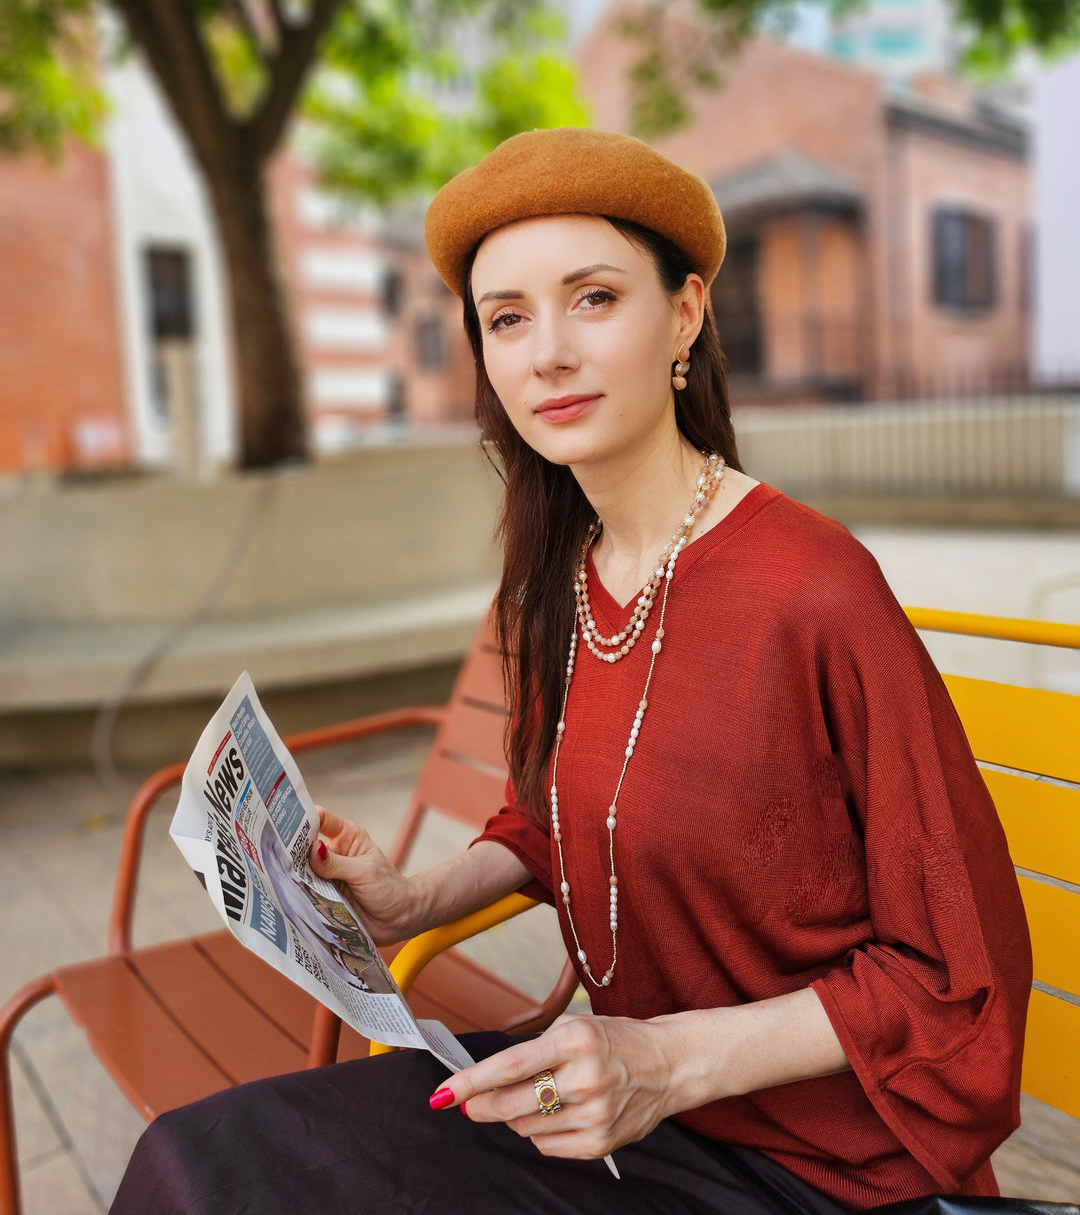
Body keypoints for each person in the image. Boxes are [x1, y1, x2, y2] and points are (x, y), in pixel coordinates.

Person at [110, 129, 1031, 1215]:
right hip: (615, 1115)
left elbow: (957, 983)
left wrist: (663, 1062)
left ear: (683, 315)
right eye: (507, 318)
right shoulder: (564, 581)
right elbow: (559, 819)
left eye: (592, 298)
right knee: (199, 1163)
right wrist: (420, 896)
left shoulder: (815, 591)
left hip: (818, 1170)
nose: (546, 353)